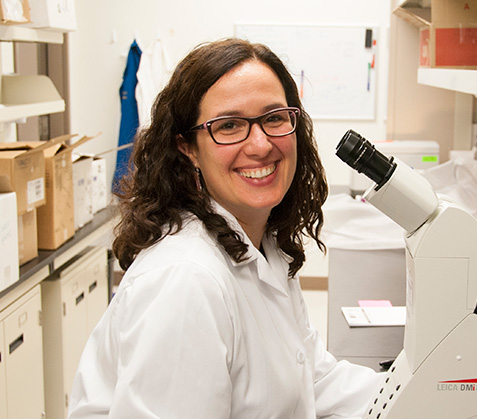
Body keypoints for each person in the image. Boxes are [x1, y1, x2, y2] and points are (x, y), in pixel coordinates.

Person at [69, 38, 382, 418]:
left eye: (274, 118)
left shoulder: (261, 244)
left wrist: (419, 393)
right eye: (229, 125)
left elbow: (313, 379)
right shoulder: (186, 281)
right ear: (188, 147)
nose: (261, 144)